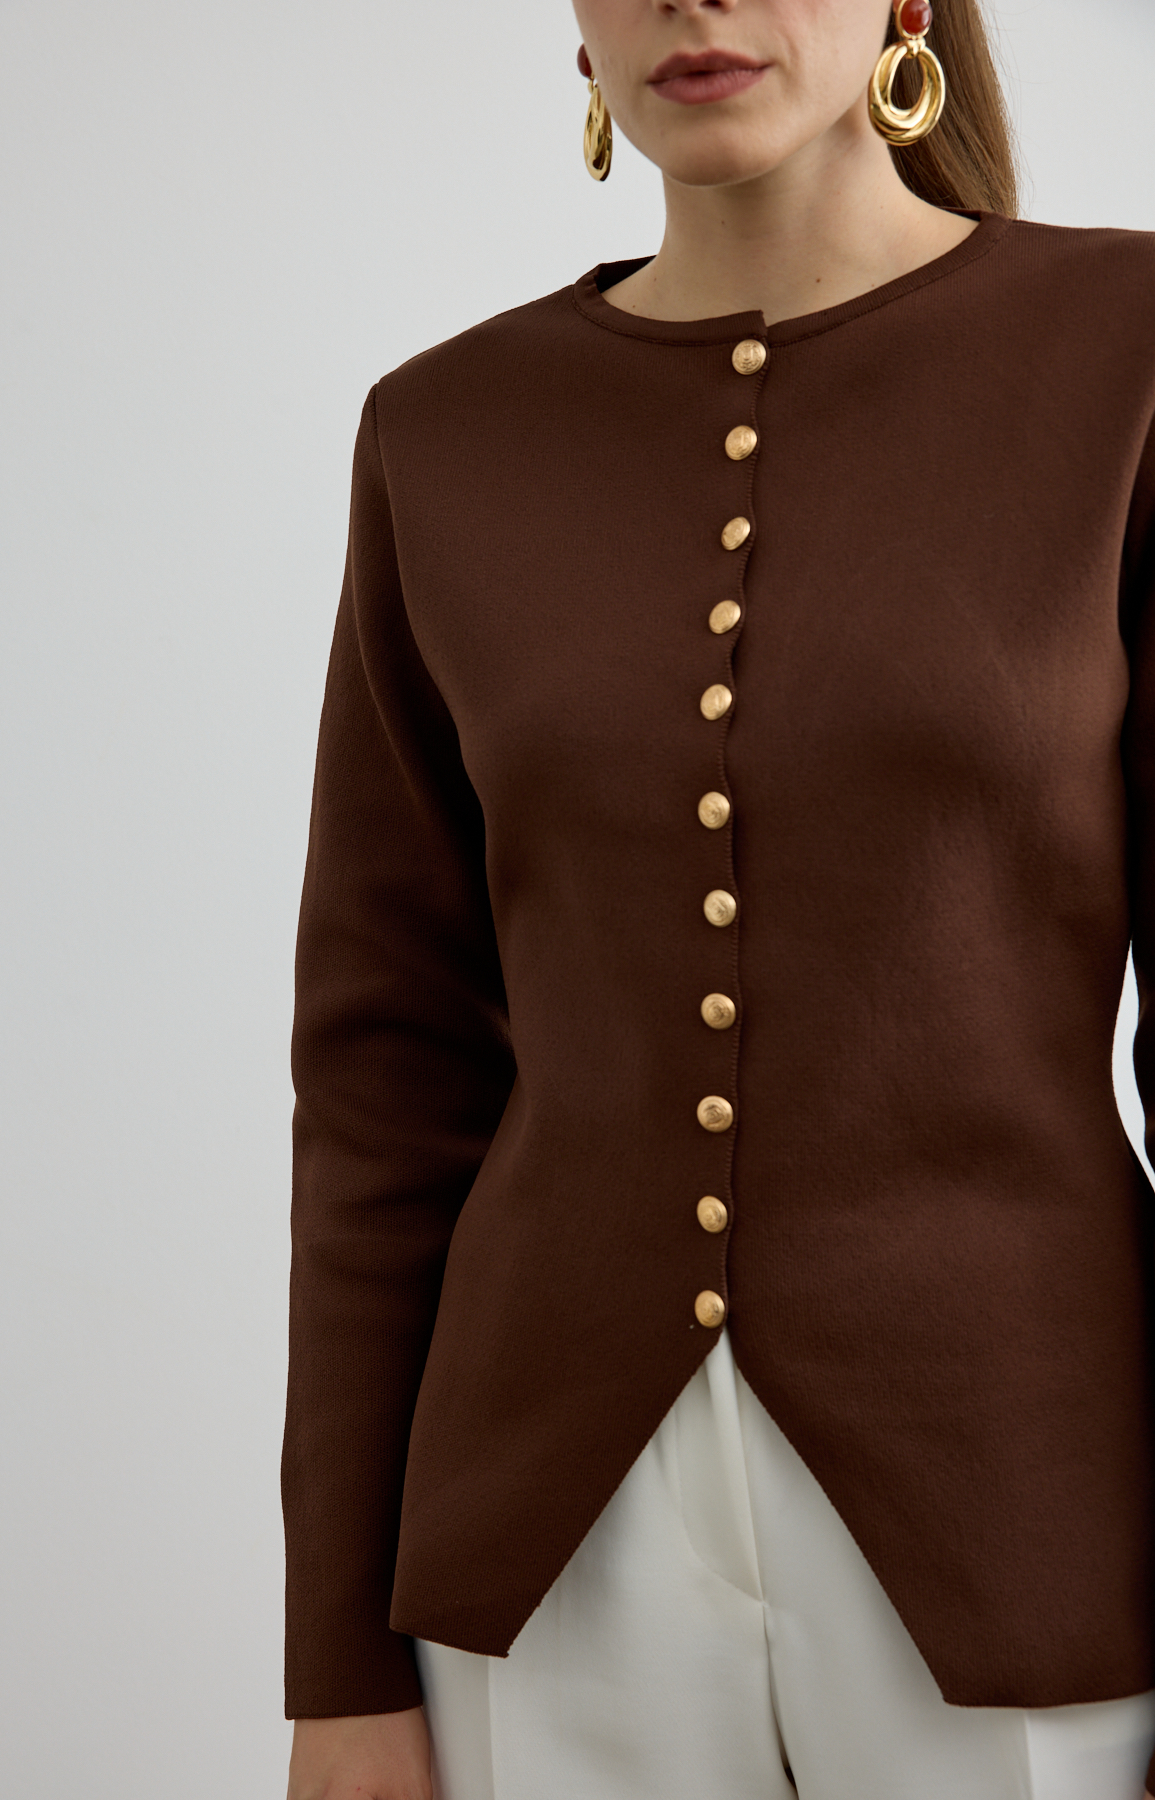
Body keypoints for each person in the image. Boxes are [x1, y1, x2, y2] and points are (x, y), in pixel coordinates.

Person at [281, 1, 1155, 1796]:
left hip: (1026, 1526)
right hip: (541, 1560)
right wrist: (338, 1666)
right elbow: (383, 1083)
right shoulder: (442, 432)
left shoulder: (1124, 355)